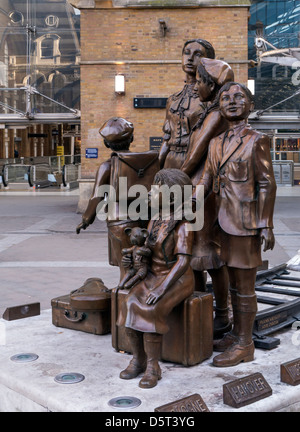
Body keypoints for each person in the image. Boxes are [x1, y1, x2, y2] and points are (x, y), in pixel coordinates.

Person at [198, 82, 276, 367]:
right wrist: (183, 201)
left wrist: (266, 224)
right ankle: (234, 332)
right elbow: (206, 180)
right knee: (231, 285)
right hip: (220, 224)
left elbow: (267, 184)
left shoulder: (257, 140)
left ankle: (246, 344)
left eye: (238, 97)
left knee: (245, 287)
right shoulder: (215, 143)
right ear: (220, 107)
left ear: (250, 105)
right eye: (225, 98)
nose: (231, 101)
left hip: (245, 224)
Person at [117, 169, 195, 389]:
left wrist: (161, 290)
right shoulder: (155, 219)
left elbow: (182, 263)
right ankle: (138, 359)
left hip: (176, 278)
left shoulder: (184, 224)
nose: (150, 192)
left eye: (155, 188)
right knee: (130, 302)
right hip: (153, 274)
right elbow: (148, 250)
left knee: (151, 309)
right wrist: (134, 259)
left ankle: (153, 366)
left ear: (171, 194)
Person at [181, 58, 234, 339]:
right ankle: (200, 305)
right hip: (197, 188)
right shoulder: (208, 112)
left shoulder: (215, 116)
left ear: (211, 86)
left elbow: (195, 156)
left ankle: (222, 313)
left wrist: (172, 181)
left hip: (206, 190)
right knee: (195, 252)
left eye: (201, 82)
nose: (197, 86)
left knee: (207, 252)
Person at [76, 117, 145, 281]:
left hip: (120, 222)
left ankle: (125, 302)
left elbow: (97, 197)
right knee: (143, 265)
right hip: (144, 220)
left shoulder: (107, 166)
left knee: (126, 268)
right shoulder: (145, 162)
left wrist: (86, 220)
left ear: (107, 144)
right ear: (132, 139)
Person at [159, 38, 215, 170]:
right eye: (187, 53)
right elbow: (167, 139)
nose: (190, 58)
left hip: (200, 163)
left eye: (198, 54)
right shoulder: (172, 100)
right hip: (171, 161)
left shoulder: (210, 99)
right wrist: (158, 167)